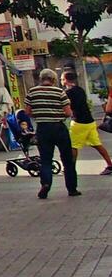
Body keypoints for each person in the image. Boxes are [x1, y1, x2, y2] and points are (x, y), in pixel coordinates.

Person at [25, 68, 79, 199]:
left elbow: (27, 112)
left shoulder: (32, 92)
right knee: (67, 159)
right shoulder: (59, 92)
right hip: (59, 127)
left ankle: (46, 184)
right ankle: (72, 188)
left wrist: (40, 114)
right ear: (53, 79)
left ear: (41, 79)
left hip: (43, 129)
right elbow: (68, 112)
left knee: (46, 160)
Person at [62, 70, 112, 175]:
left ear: (66, 80)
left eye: (62, 79)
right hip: (90, 121)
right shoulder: (80, 90)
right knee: (97, 144)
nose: (61, 81)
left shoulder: (68, 93)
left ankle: (70, 168)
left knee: (73, 145)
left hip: (78, 122)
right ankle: (110, 164)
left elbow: (68, 107)